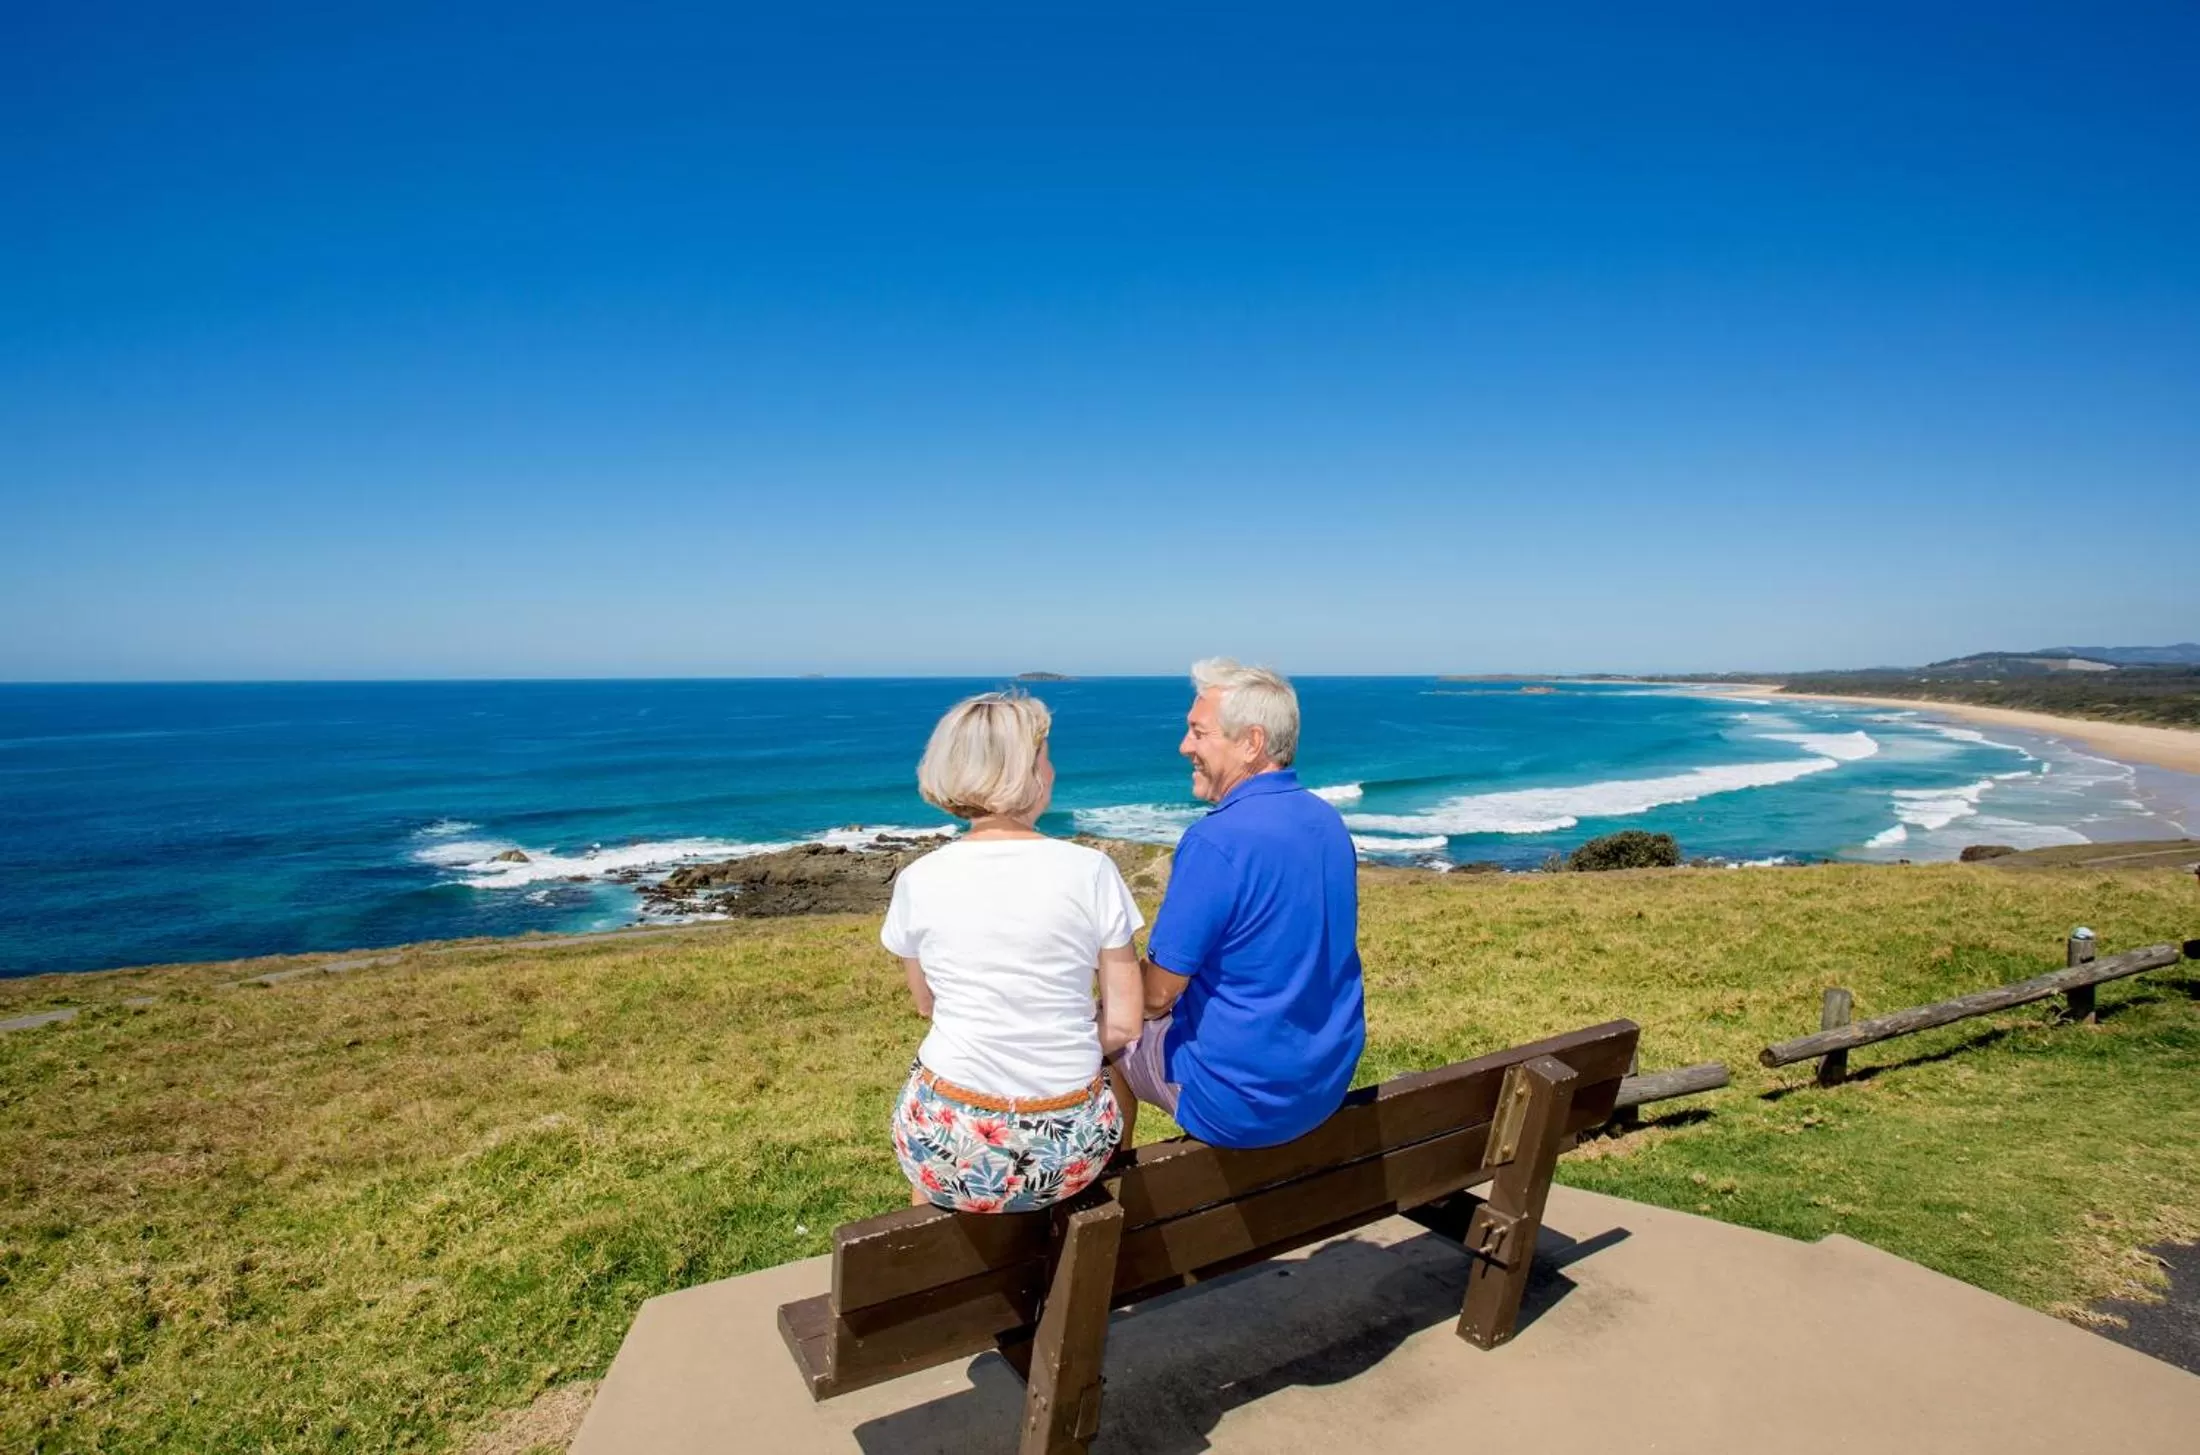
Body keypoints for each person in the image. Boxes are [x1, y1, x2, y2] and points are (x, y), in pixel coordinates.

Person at [883, 691, 1145, 1213]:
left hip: (948, 1136)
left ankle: (931, 1265)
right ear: (1024, 773)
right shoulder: (1090, 871)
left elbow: (926, 1004)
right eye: (1044, 757)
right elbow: (1123, 1026)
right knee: (1118, 1093)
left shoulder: (918, 879)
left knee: (929, 1160)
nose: (1052, 769)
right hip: (1068, 1143)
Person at [1109, 659, 1366, 1149]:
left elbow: (1158, 994)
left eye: (1198, 733)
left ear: (1251, 743)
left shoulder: (1216, 841)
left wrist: (1108, 993)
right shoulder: (1326, 821)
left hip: (1243, 1101)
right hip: (1322, 1081)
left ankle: (1113, 1207)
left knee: (1107, 1034)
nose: (1185, 746)